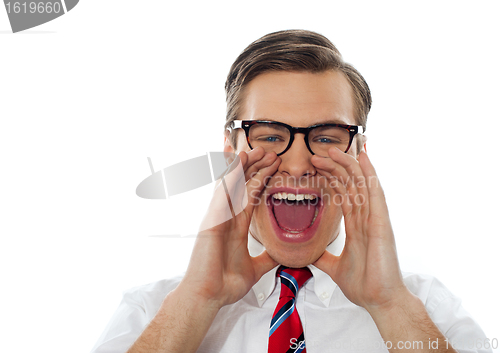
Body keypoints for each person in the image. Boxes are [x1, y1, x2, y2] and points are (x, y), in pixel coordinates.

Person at [91, 30, 491, 353]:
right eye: (269, 134)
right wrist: (196, 301)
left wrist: (389, 304)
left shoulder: (426, 311)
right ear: (231, 150)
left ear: (360, 153)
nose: (298, 165)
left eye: (326, 137)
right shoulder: (149, 313)